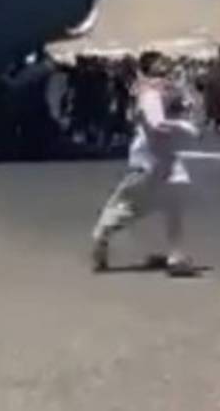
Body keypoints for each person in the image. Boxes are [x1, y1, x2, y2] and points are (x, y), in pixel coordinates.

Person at [91, 54, 199, 277]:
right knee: (128, 207)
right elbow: (157, 123)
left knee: (173, 202)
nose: (167, 72)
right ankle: (100, 237)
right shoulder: (150, 94)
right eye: (162, 68)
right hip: (148, 160)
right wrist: (181, 126)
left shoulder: (159, 92)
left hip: (163, 159)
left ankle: (176, 255)